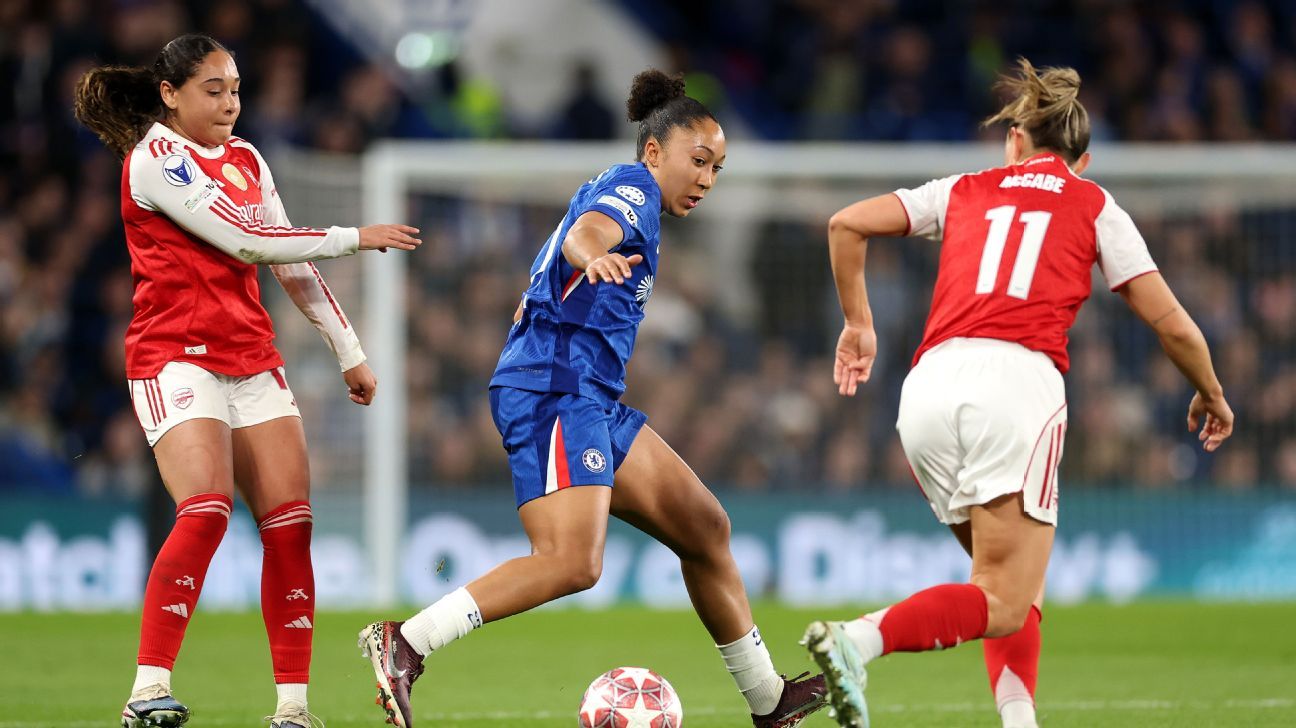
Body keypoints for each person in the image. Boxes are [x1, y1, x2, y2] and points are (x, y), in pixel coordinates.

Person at [358, 69, 826, 728]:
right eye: (698, 161)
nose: (706, 179)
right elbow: (590, 234)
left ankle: (768, 700)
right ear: (655, 151)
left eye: (717, 167)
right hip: (555, 389)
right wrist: (591, 255)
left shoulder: (632, 195)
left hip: (591, 396)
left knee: (706, 529)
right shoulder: (632, 189)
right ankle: (406, 643)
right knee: (573, 563)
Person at [802, 58, 1234, 728]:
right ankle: (856, 643)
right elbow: (1171, 323)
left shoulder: (965, 189)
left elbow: (845, 224)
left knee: (1003, 586)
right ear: (1081, 160)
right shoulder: (1093, 205)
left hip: (926, 389)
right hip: (1014, 388)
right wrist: (1209, 390)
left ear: (1014, 141)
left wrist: (859, 323)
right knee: (1004, 596)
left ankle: (1018, 719)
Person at [73, 33, 421, 728]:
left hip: (252, 358)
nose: (230, 103)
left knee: (291, 528)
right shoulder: (156, 161)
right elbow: (249, 242)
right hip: (175, 356)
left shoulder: (247, 158)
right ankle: (146, 692)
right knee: (205, 507)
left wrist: (347, 348)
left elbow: (288, 261)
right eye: (213, 90)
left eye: (235, 89)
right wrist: (356, 234)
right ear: (170, 94)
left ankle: (292, 709)